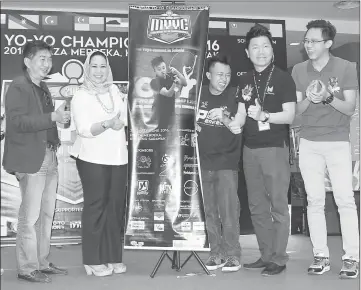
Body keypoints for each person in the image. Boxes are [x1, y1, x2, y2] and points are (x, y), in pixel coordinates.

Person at [291, 20, 359, 279]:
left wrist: (328, 97)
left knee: (345, 200)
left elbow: (350, 107)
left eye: (313, 41)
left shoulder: (346, 67)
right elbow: (296, 111)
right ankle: (320, 255)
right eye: (306, 41)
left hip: (338, 141)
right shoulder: (298, 70)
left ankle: (351, 257)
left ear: (328, 43)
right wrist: (309, 98)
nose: (308, 45)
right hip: (308, 142)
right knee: (314, 201)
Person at [230, 24, 296, 276]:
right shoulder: (244, 79)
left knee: (278, 205)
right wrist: (230, 123)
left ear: (272, 50)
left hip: (274, 149)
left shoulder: (282, 77)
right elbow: (239, 114)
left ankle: (279, 258)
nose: (261, 51)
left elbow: (290, 114)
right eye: (255, 47)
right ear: (247, 52)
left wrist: (265, 115)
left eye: (265, 46)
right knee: (256, 205)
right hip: (250, 149)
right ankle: (266, 254)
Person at [2, 40, 69, 283]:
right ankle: (27, 268)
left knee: (46, 215)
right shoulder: (19, 87)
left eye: (49, 59)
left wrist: (57, 128)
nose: (47, 64)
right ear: (27, 61)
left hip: (49, 157)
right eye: (42, 59)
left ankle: (41, 262)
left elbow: (45, 123)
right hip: (31, 159)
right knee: (29, 218)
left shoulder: (42, 88)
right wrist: (52, 116)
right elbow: (18, 123)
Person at [70, 50, 128, 277]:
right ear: (87, 68)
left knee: (115, 209)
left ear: (108, 69)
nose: (98, 71)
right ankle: (92, 260)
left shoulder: (115, 91)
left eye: (103, 66)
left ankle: (112, 255)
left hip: (118, 158)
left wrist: (119, 121)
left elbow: (124, 119)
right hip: (92, 158)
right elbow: (83, 130)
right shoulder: (80, 96)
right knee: (96, 208)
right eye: (94, 66)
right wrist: (106, 124)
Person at [197, 55, 243, 272]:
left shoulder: (236, 95)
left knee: (229, 211)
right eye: (219, 74)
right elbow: (184, 119)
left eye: (227, 75)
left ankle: (233, 254)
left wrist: (224, 117)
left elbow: (239, 126)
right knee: (210, 211)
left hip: (227, 161)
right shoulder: (198, 95)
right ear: (208, 75)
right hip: (202, 162)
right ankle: (216, 253)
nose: (224, 79)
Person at [150, 55, 187, 130]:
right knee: (160, 136)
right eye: (159, 69)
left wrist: (176, 72)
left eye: (163, 68)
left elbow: (184, 83)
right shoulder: (154, 82)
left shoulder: (171, 76)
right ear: (155, 70)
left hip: (171, 112)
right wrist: (174, 83)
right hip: (158, 113)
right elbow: (168, 94)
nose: (162, 70)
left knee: (170, 137)